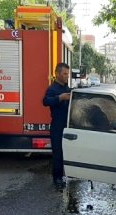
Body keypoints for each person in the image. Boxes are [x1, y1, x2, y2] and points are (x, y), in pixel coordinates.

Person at [43, 63, 71, 191]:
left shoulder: (67, 88)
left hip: (69, 125)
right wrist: (60, 98)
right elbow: (45, 101)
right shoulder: (52, 89)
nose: (67, 76)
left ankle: (68, 174)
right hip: (58, 125)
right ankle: (57, 178)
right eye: (65, 74)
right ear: (57, 74)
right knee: (58, 153)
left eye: (68, 73)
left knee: (68, 152)